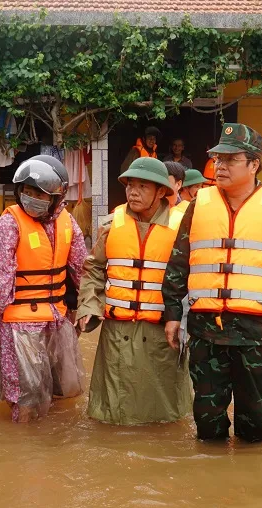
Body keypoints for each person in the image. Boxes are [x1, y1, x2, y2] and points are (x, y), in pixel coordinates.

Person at [162, 123, 262, 443]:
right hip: (204, 329)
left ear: (254, 164)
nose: (220, 166)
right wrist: (172, 314)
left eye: (230, 159)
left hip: (255, 330)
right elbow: (178, 262)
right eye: (217, 159)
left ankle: (251, 485)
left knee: (254, 420)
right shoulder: (199, 204)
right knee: (207, 420)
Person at [77, 157, 192, 425]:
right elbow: (93, 269)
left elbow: (193, 278)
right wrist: (88, 307)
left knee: (165, 416)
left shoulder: (182, 229)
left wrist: (187, 321)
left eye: (142, 186)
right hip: (117, 334)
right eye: (130, 185)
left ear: (162, 191)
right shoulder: (110, 225)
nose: (133, 192)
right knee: (111, 414)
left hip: (163, 333)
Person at [0, 155, 88, 422]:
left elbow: (82, 270)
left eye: (39, 192)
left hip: (57, 321)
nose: (31, 197)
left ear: (56, 198)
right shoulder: (7, 226)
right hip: (19, 327)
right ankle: (22, 454)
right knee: (26, 398)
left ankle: (54, 452)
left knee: (63, 392)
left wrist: (81, 309)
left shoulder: (68, 224)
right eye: (27, 191)